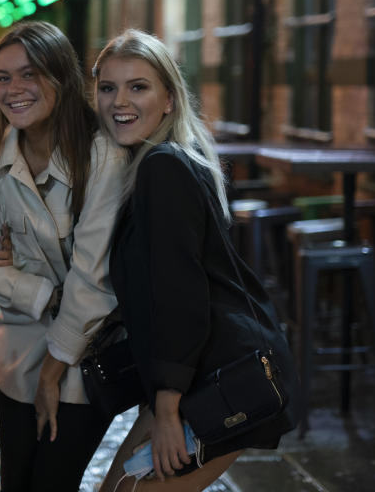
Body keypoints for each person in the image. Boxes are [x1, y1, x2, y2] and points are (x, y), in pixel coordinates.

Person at [92, 29, 297, 491]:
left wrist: (166, 412)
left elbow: (179, 293)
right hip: (190, 376)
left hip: (217, 379)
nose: (119, 101)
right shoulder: (158, 161)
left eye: (137, 87)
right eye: (108, 88)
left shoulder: (162, 167)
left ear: (168, 99)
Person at [0, 21, 128, 491]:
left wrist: (55, 367)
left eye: (29, 74)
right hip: (18, 346)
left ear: (61, 77)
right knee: (16, 482)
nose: (13, 90)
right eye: (2, 78)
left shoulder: (101, 155)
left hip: (87, 350)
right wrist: (48, 294)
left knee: (52, 483)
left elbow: (95, 277)